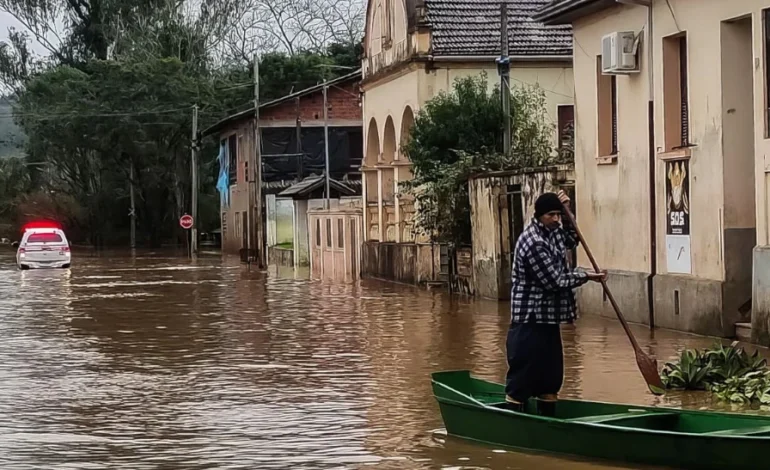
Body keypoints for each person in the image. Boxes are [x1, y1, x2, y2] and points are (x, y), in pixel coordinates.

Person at [504, 190, 606, 416]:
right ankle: (513, 420)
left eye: (558, 215)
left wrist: (569, 212)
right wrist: (586, 276)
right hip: (529, 320)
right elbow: (555, 281)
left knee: (551, 379)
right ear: (540, 215)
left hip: (549, 318)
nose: (557, 219)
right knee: (522, 377)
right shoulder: (533, 242)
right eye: (552, 215)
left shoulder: (555, 231)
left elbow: (573, 238)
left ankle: (548, 419)